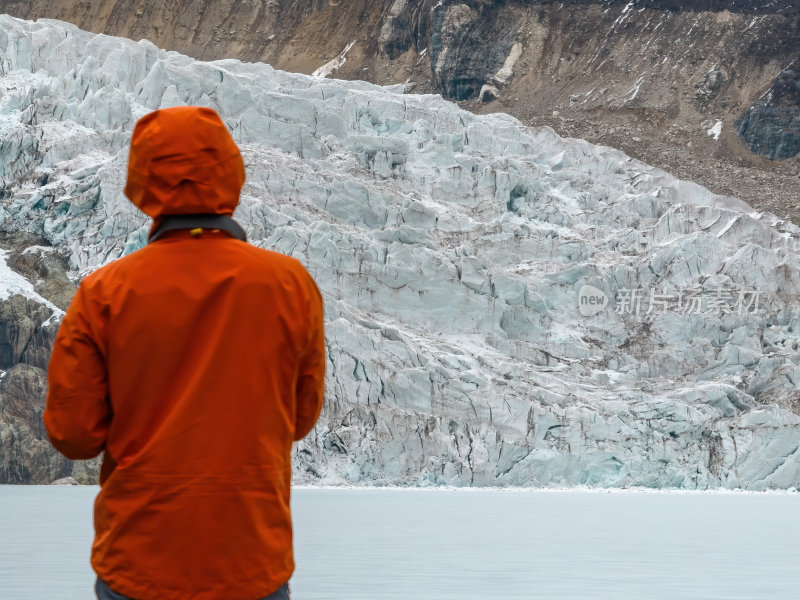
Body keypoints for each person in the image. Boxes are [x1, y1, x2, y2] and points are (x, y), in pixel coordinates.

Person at [43, 106, 326, 600]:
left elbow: (74, 435)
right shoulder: (289, 285)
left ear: (141, 180)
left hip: (139, 564)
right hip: (251, 563)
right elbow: (299, 418)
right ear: (230, 172)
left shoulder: (105, 293)